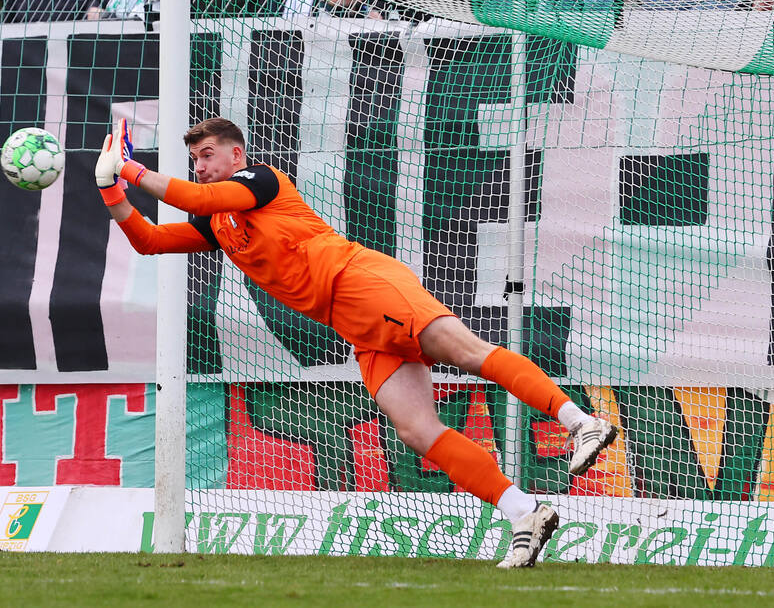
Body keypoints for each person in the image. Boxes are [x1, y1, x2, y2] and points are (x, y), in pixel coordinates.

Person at [93, 117, 618, 568]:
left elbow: (193, 196)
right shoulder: (219, 222)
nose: (200, 165)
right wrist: (110, 188)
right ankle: (524, 512)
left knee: (468, 353)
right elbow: (150, 241)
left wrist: (131, 168)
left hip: (363, 283)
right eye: (194, 159)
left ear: (236, 154)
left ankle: (581, 422)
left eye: (207, 155)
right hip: (352, 323)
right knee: (416, 429)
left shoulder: (260, 180)